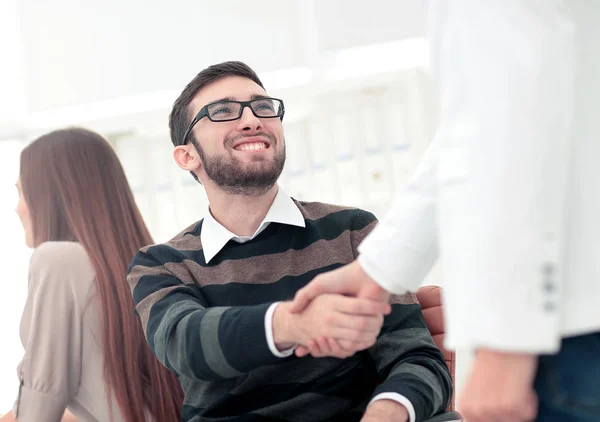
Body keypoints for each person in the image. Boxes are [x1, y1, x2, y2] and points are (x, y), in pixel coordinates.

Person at [289, 1, 600, 422]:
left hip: (569, 330)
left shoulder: (345, 225)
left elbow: (514, 115)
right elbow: (473, 135)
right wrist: (378, 270)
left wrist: (505, 342)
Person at [127, 61, 453, 422]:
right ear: (186, 156)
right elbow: (185, 344)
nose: (252, 119)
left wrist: (385, 413)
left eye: (263, 107)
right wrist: (294, 324)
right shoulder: (160, 264)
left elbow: (418, 360)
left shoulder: (351, 230)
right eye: (222, 111)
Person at [1, 128, 184, 422]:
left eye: (21, 192)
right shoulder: (141, 266)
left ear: (50, 197)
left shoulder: (57, 260)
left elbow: (38, 408)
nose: (16, 207)